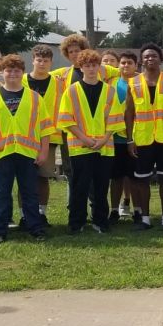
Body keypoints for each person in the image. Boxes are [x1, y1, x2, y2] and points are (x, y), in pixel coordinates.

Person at [0, 53, 56, 243]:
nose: (13, 74)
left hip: (28, 154)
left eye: (17, 71)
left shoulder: (34, 98)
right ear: (2, 73)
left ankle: (35, 228)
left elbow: (46, 128)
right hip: (2, 154)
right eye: (9, 70)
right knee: (1, 192)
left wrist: (43, 151)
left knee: (30, 192)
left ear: (22, 73)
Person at [57, 49, 126, 234]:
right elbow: (65, 119)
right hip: (80, 146)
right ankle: (76, 222)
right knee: (80, 186)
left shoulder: (109, 91)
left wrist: (103, 139)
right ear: (81, 67)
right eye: (87, 65)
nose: (91, 69)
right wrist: (85, 138)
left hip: (104, 147)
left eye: (94, 65)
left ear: (99, 67)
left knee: (102, 186)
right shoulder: (71, 91)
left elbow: (116, 119)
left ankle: (100, 221)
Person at [125, 44, 163, 230]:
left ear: (160, 59)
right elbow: (129, 112)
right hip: (142, 139)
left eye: (154, 56)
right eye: (146, 56)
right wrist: (129, 140)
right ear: (141, 60)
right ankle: (145, 219)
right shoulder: (133, 83)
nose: (150, 59)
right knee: (142, 179)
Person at [23, 44, 63, 226]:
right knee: (24, 179)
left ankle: (42, 213)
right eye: (39, 60)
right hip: (24, 138)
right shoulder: (21, 81)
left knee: (43, 177)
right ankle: (25, 215)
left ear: (51, 63)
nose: (42, 64)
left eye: (46, 61)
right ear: (33, 60)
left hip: (50, 137)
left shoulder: (58, 83)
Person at [109, 51, 139, 221]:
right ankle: (114, 210)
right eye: (123, 63)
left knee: (135, 177)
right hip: (115, 138)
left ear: (136, 66)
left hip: (136, 138)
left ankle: (137, 210)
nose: (126, 66)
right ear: (118, 65)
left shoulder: (140, 84)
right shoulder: (111, 84)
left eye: (129, 63)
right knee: (116, 177)